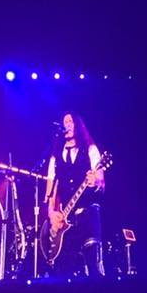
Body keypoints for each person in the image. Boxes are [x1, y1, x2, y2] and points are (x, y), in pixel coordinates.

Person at [45, 112, 105, 276]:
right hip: (66, 220)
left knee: (92, 264)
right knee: (65, 269)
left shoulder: (91, 149)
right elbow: (51, 188)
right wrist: (51, 213)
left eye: (70, 121)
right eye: (64, 122)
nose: (67, 124)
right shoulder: (55, 156)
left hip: (88, 213)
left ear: (78, 125)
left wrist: (95, 181)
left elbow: (101, 182)